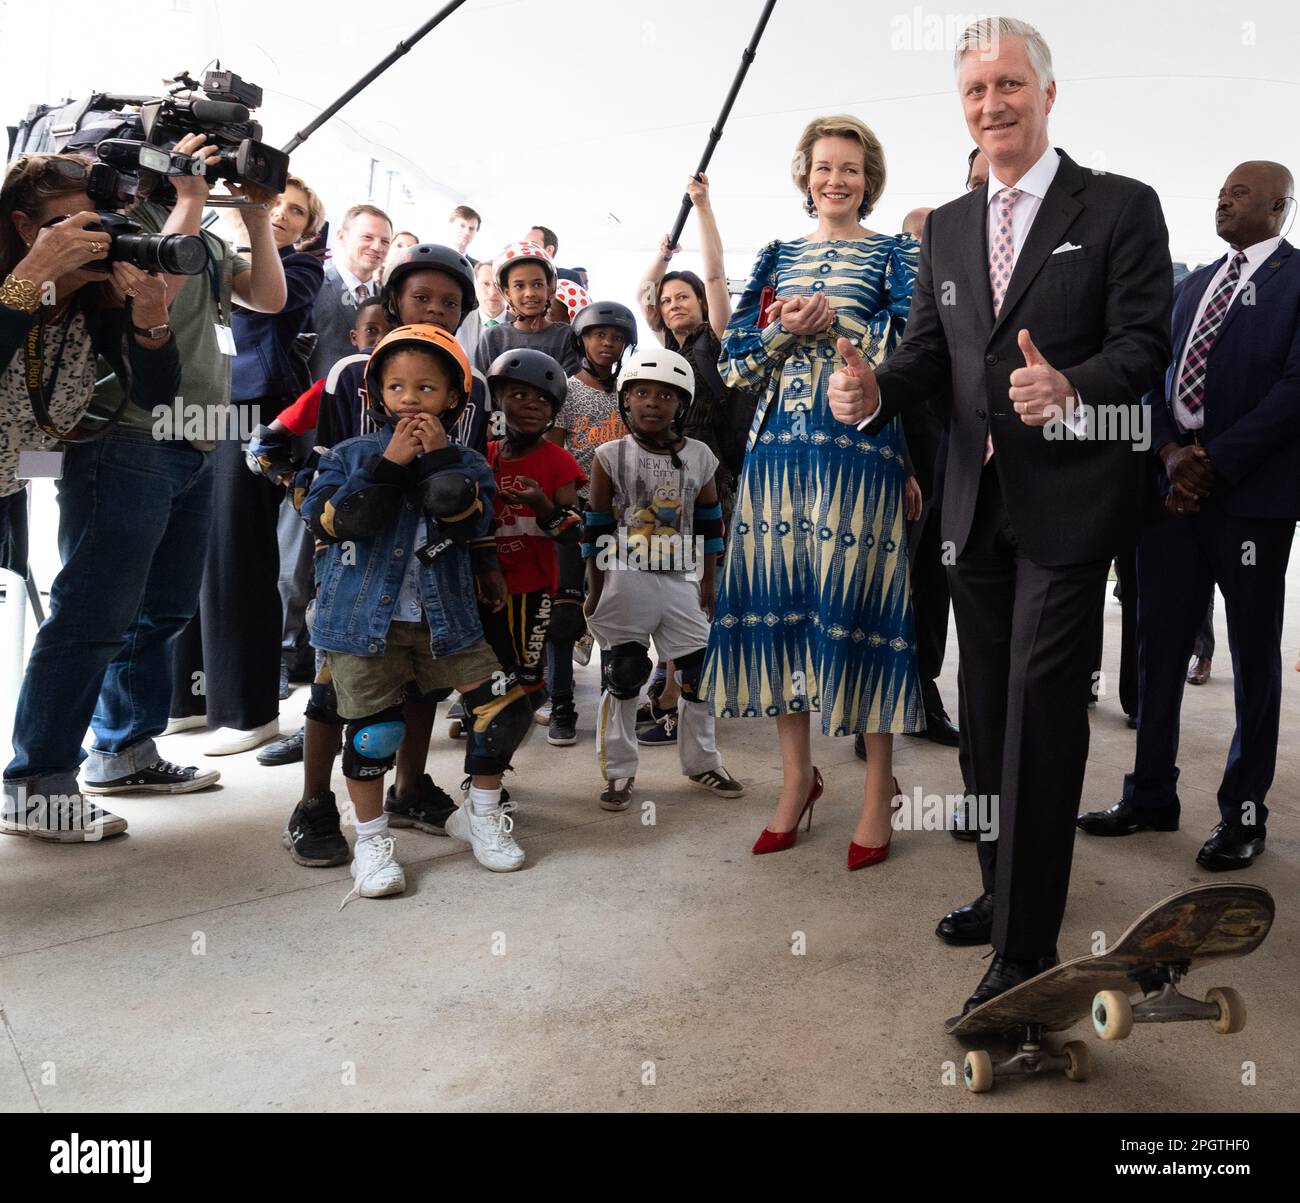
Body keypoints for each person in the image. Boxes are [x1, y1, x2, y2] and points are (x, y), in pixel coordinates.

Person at [829, 18, 1172, 1011]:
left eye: (1010, 85)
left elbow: (1144, 343)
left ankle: (1024, 949)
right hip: (970, 508)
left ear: (1048, 94)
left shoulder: (1116, 206)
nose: (992, 104)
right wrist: (873, 394)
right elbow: (929, 355)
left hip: (1068, 505)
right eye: (975, 90)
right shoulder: (943, 226)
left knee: (1036, 709)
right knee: (981, 716)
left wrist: (1072, 387)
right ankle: (999, 883)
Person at [700, 114, 921, 872]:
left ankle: (880, 787)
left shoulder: (898, 253)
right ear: (805, 175)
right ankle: (798, 780)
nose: (836, 180)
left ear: (870, 179)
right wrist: (786, 333)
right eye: (824, 167)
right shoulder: (775, 255)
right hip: (775, 459)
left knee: (860, 609)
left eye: (851, 169)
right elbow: (732, 367)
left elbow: (918, 353)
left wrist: (840, 335)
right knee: (783, 611)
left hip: (859, 455)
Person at [1078, 160, 1299, 873]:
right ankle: (1149, 794)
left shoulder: (1297, 281)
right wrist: (1170, 451)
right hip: (1169, 497)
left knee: (1255, 658)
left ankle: (1244, 811)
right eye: (1220, 192)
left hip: (1252, 503)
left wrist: (1214, 461)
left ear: (1280, 206)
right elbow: (1152, 371)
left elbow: (1295, 390)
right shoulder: (1195, 282)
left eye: (1239, 192)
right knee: (1157, 646)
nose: (1223, 200)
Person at [301, 324, 532, 900]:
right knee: (374, 734)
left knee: (503, 712)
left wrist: (434, 461)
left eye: (427, 389)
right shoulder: (347, 455)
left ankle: (478, 815)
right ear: (377, 394)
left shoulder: (470, 464)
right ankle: (373, 842)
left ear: (454, 399)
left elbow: (465, 516)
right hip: (362, 623)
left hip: (445, 620)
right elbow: (337, 521)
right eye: (397, 387)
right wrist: (387, 464)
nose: (410, 399)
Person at [0, 153, 182, 840]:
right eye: (69, 224)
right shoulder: (25, 280)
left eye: (103, 223)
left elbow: (160, 396)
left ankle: (37, 783)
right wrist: (29, 280)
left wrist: (151, 319)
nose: (93, 238)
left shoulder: (90, 297)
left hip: (11, 478)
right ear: (22, 225)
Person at [167, 174, 326, 755]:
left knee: (240, 555)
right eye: (273, 202)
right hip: (190, 410)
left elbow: (262, 307)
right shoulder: (197, 248)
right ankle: (186, 698)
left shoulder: (301, 270)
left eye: (297, 211)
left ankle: (248, 708)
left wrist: (239, 240)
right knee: (186, 553)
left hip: (256, 420)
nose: (282, 214)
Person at [584, 347, 743, 810]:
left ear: (682, 404)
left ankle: (702, 762)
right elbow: (594, 526)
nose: (652, 402)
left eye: (665, 395)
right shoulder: (608, 455)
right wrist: (594, 589)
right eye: (641, 393)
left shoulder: (700, 455)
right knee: (625, 672)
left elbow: (712, 523)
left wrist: (709, 583)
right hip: (625, 576)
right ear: (626, 400)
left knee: (697, 675)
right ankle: (618, 772)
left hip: (683, 579)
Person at [542, 300, 638, 745]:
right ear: (582, 338)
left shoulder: (629, 392)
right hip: (574, 510)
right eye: (600, 334)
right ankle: (561, 705)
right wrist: (561, 508)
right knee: (564, 614)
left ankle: (609, 704)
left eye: (617, 337)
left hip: (619, 517)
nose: (608, 343)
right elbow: (555, 452)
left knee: (612, 614)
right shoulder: (565, 388)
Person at [482, 348, 585, 718]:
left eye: (543, 400)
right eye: (519, 395)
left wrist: (541, 504)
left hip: (535, 588)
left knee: (527, 682)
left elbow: (572, 531)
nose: (532, 406)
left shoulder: (559, 460)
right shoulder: (483, 454)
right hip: (487, 583)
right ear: (498, 401)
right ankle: (487, 729)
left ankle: (503, 733)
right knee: (490, 673)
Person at [307, 204, 392, 380]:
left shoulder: (389, 301)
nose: (377, 247)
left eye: (385, 241)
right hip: (318, 399)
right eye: (367, 237)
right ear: (341, 236)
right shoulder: (313, 286)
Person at [475, 241, 580, 375]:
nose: (529, 293)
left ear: (549, 288)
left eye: (537, 284)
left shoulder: (567, 337)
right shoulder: (493, 338)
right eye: (519, 286)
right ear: (507, 293)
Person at [456, 259, 508, 366]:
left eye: (498, 285)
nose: (493, 292)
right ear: (475, 287)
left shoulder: (523, 324)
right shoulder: (458, 323)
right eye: (486, 284)